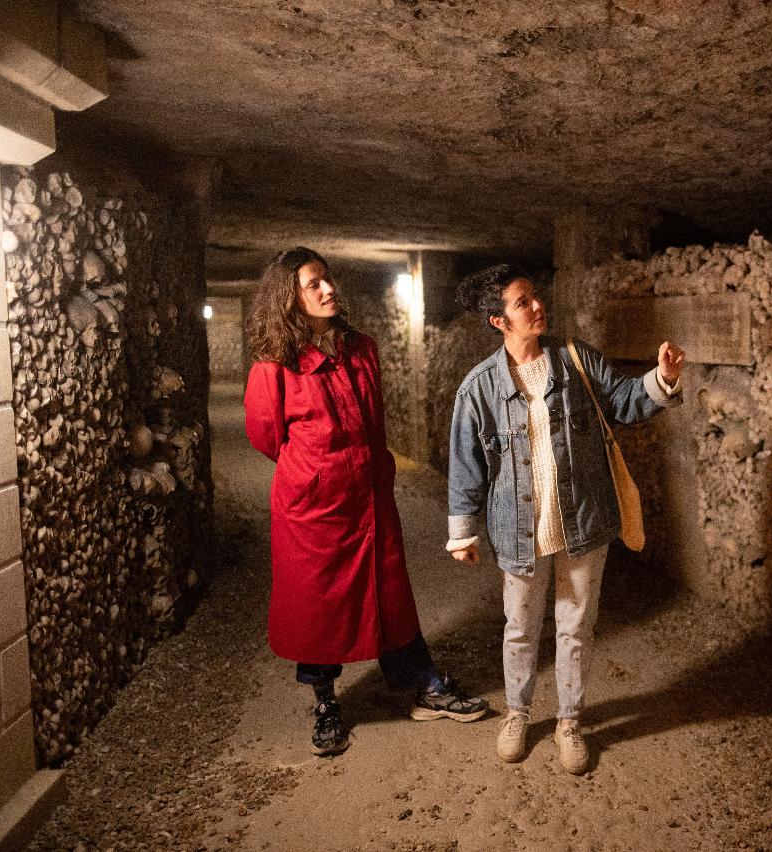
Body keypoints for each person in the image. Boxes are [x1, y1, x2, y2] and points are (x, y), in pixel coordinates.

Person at [244, 247, 488, 757]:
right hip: (314, 507)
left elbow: (373, 420)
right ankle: (325, 701)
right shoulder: (274, 367)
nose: (328, 289)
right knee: (317, 605)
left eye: (327, 280)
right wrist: (313, 473)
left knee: (390, 589)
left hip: (369, 495)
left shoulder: (362, 348)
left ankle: (422, 684)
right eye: (313, 284)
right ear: (288, 299)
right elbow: (266, 436)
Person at [447, 264, 685, 774]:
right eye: (522, 302)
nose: (537, 306)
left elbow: (622, 400)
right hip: (519, 531)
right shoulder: (479, 389)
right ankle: (517, 713)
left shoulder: (575, 359)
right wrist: (462, 533)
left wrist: (662, 378)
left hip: (581, 521)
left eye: (534, 296)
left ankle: (569, 721)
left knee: (576, 626)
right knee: (520, 628)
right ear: (498, 321)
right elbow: (466, 462)